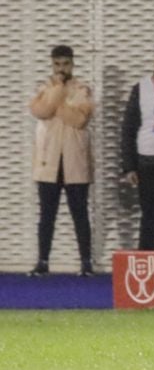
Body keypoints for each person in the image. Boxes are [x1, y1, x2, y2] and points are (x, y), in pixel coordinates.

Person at [28, 44, 96, 275]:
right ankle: (43, 261)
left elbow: (79, 119)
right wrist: (58, 97)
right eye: (57, 64)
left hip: (74, 162)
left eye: (65, 64)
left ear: (72, 64)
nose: (61, 68)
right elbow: (39, 111)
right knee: (47, 215)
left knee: (80, 215)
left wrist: (54, 103)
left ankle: (86, 262)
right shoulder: (43, 87)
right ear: (52, 64)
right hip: (49, 162)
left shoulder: (82, 88)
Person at [119, 42, 154, 252]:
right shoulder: (141, 88)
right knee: (151, 215)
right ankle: (146, 259)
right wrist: (129, 166)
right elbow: (129, 128)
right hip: (150, 160)